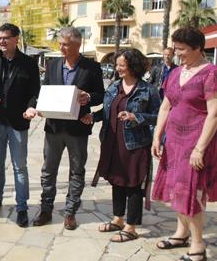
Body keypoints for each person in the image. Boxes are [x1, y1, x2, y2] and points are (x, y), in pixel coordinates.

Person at [152, 27, 217, 261]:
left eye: (182, 49)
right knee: (178, 190)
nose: (177, 53)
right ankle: (180, 234)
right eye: (176, 48)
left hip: (196, 142)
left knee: (192, 192)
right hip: (174, 141)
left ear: (198, 48)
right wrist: (157, 135)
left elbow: (214, 114)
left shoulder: (210, 73)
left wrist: (200, 148)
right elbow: (165, 106)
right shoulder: (177, 72)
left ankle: (198, 246)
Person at [30, 27, 104, 230]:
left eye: (65, 44)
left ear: (77, 45)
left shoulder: (92, 68)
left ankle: (70, 212)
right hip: (53, 127)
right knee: (48, 171)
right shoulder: (52, 65)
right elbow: (43, 92)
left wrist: (89, 97)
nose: (61, 47)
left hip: (78, 129)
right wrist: (40, 107)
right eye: (60, 43)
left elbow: (100, 95)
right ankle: (46, 209)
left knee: (77, 171)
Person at [83, 49, 160, 242]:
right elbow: (106, 111)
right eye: (117, 65)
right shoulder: (113, 87)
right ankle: (117, 219)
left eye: (122, 65)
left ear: (134, 66)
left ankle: (131, 227)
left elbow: (159, 116)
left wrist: (136, 117)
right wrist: (93, 116)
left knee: (133, 184)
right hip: (111, 142)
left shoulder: (148, 90)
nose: (117, 69)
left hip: (134, 146)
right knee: (117, 181)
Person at [0, 23, 40, 227]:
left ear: (16, 39)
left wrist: (31, 107)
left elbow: (34, 92)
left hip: (18, 123)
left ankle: (22, 207)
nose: (1, 41)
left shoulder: (29, 64)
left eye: (6, 38)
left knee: (19, 167)